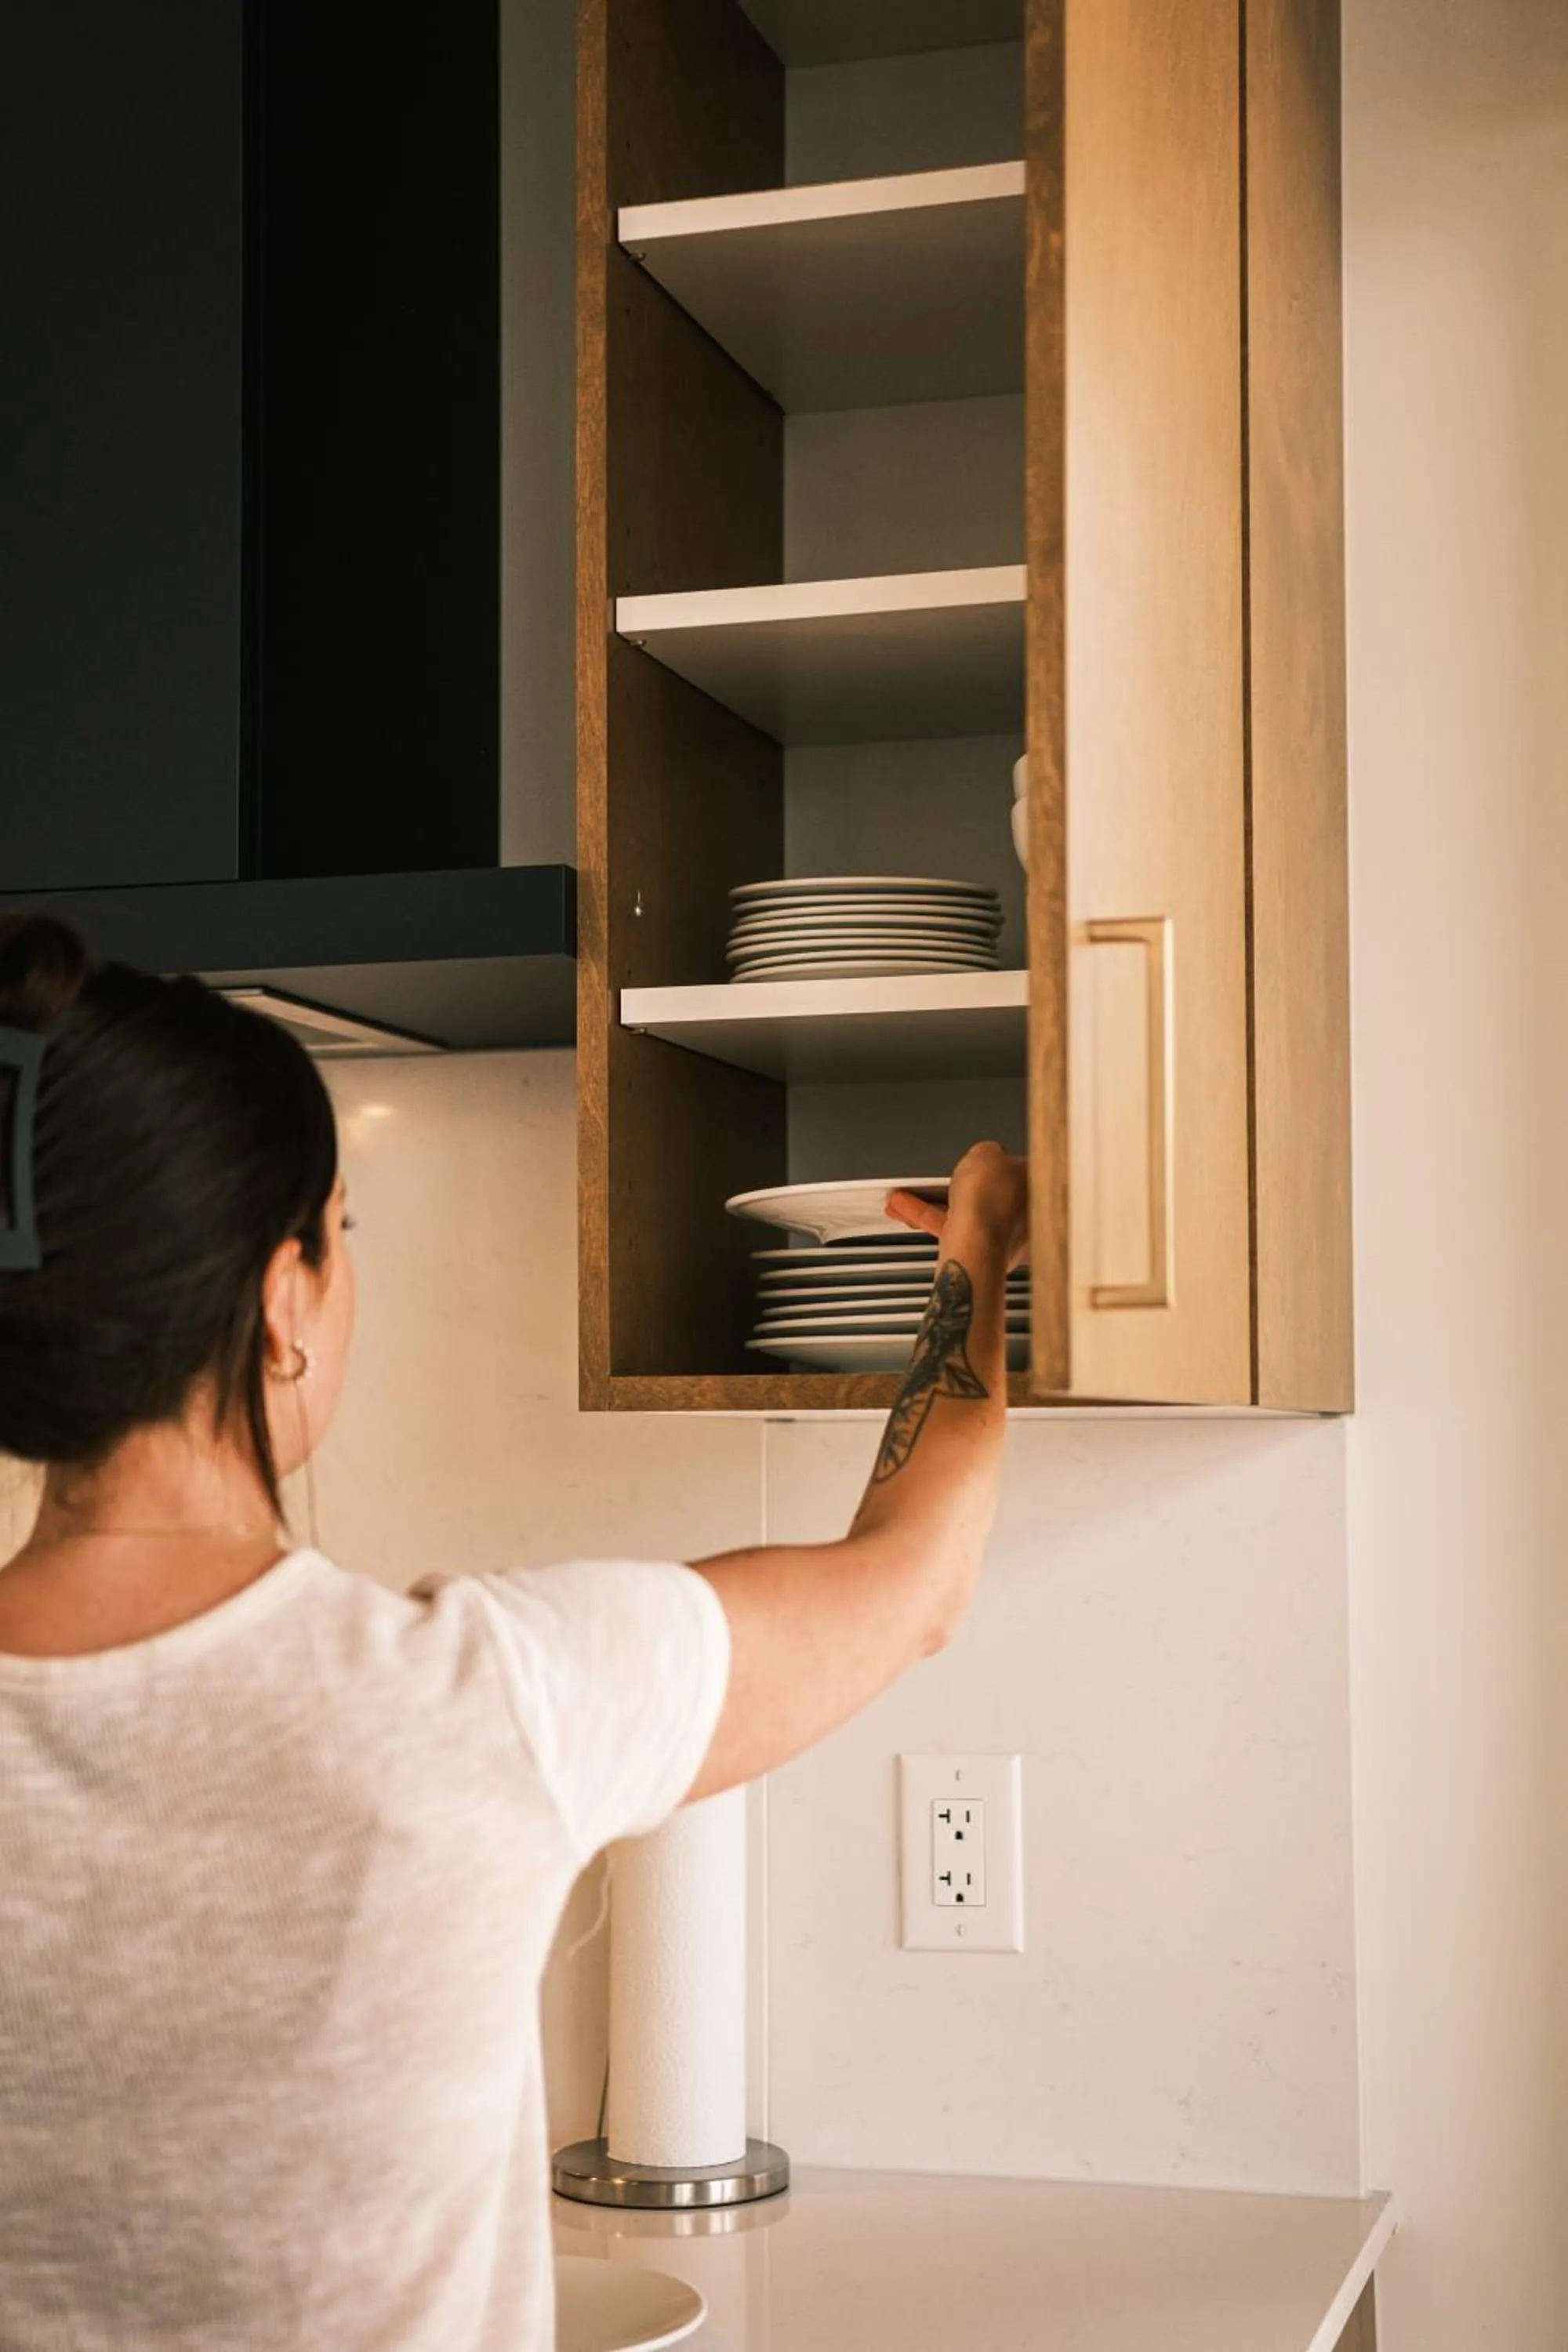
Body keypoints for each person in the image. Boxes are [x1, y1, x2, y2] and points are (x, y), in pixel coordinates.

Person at [0, 910, 1029, 2352]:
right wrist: (978, 1244)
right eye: (340, 1234)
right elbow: (914, 1579)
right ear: (282, 1299)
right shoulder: (478, 1703)